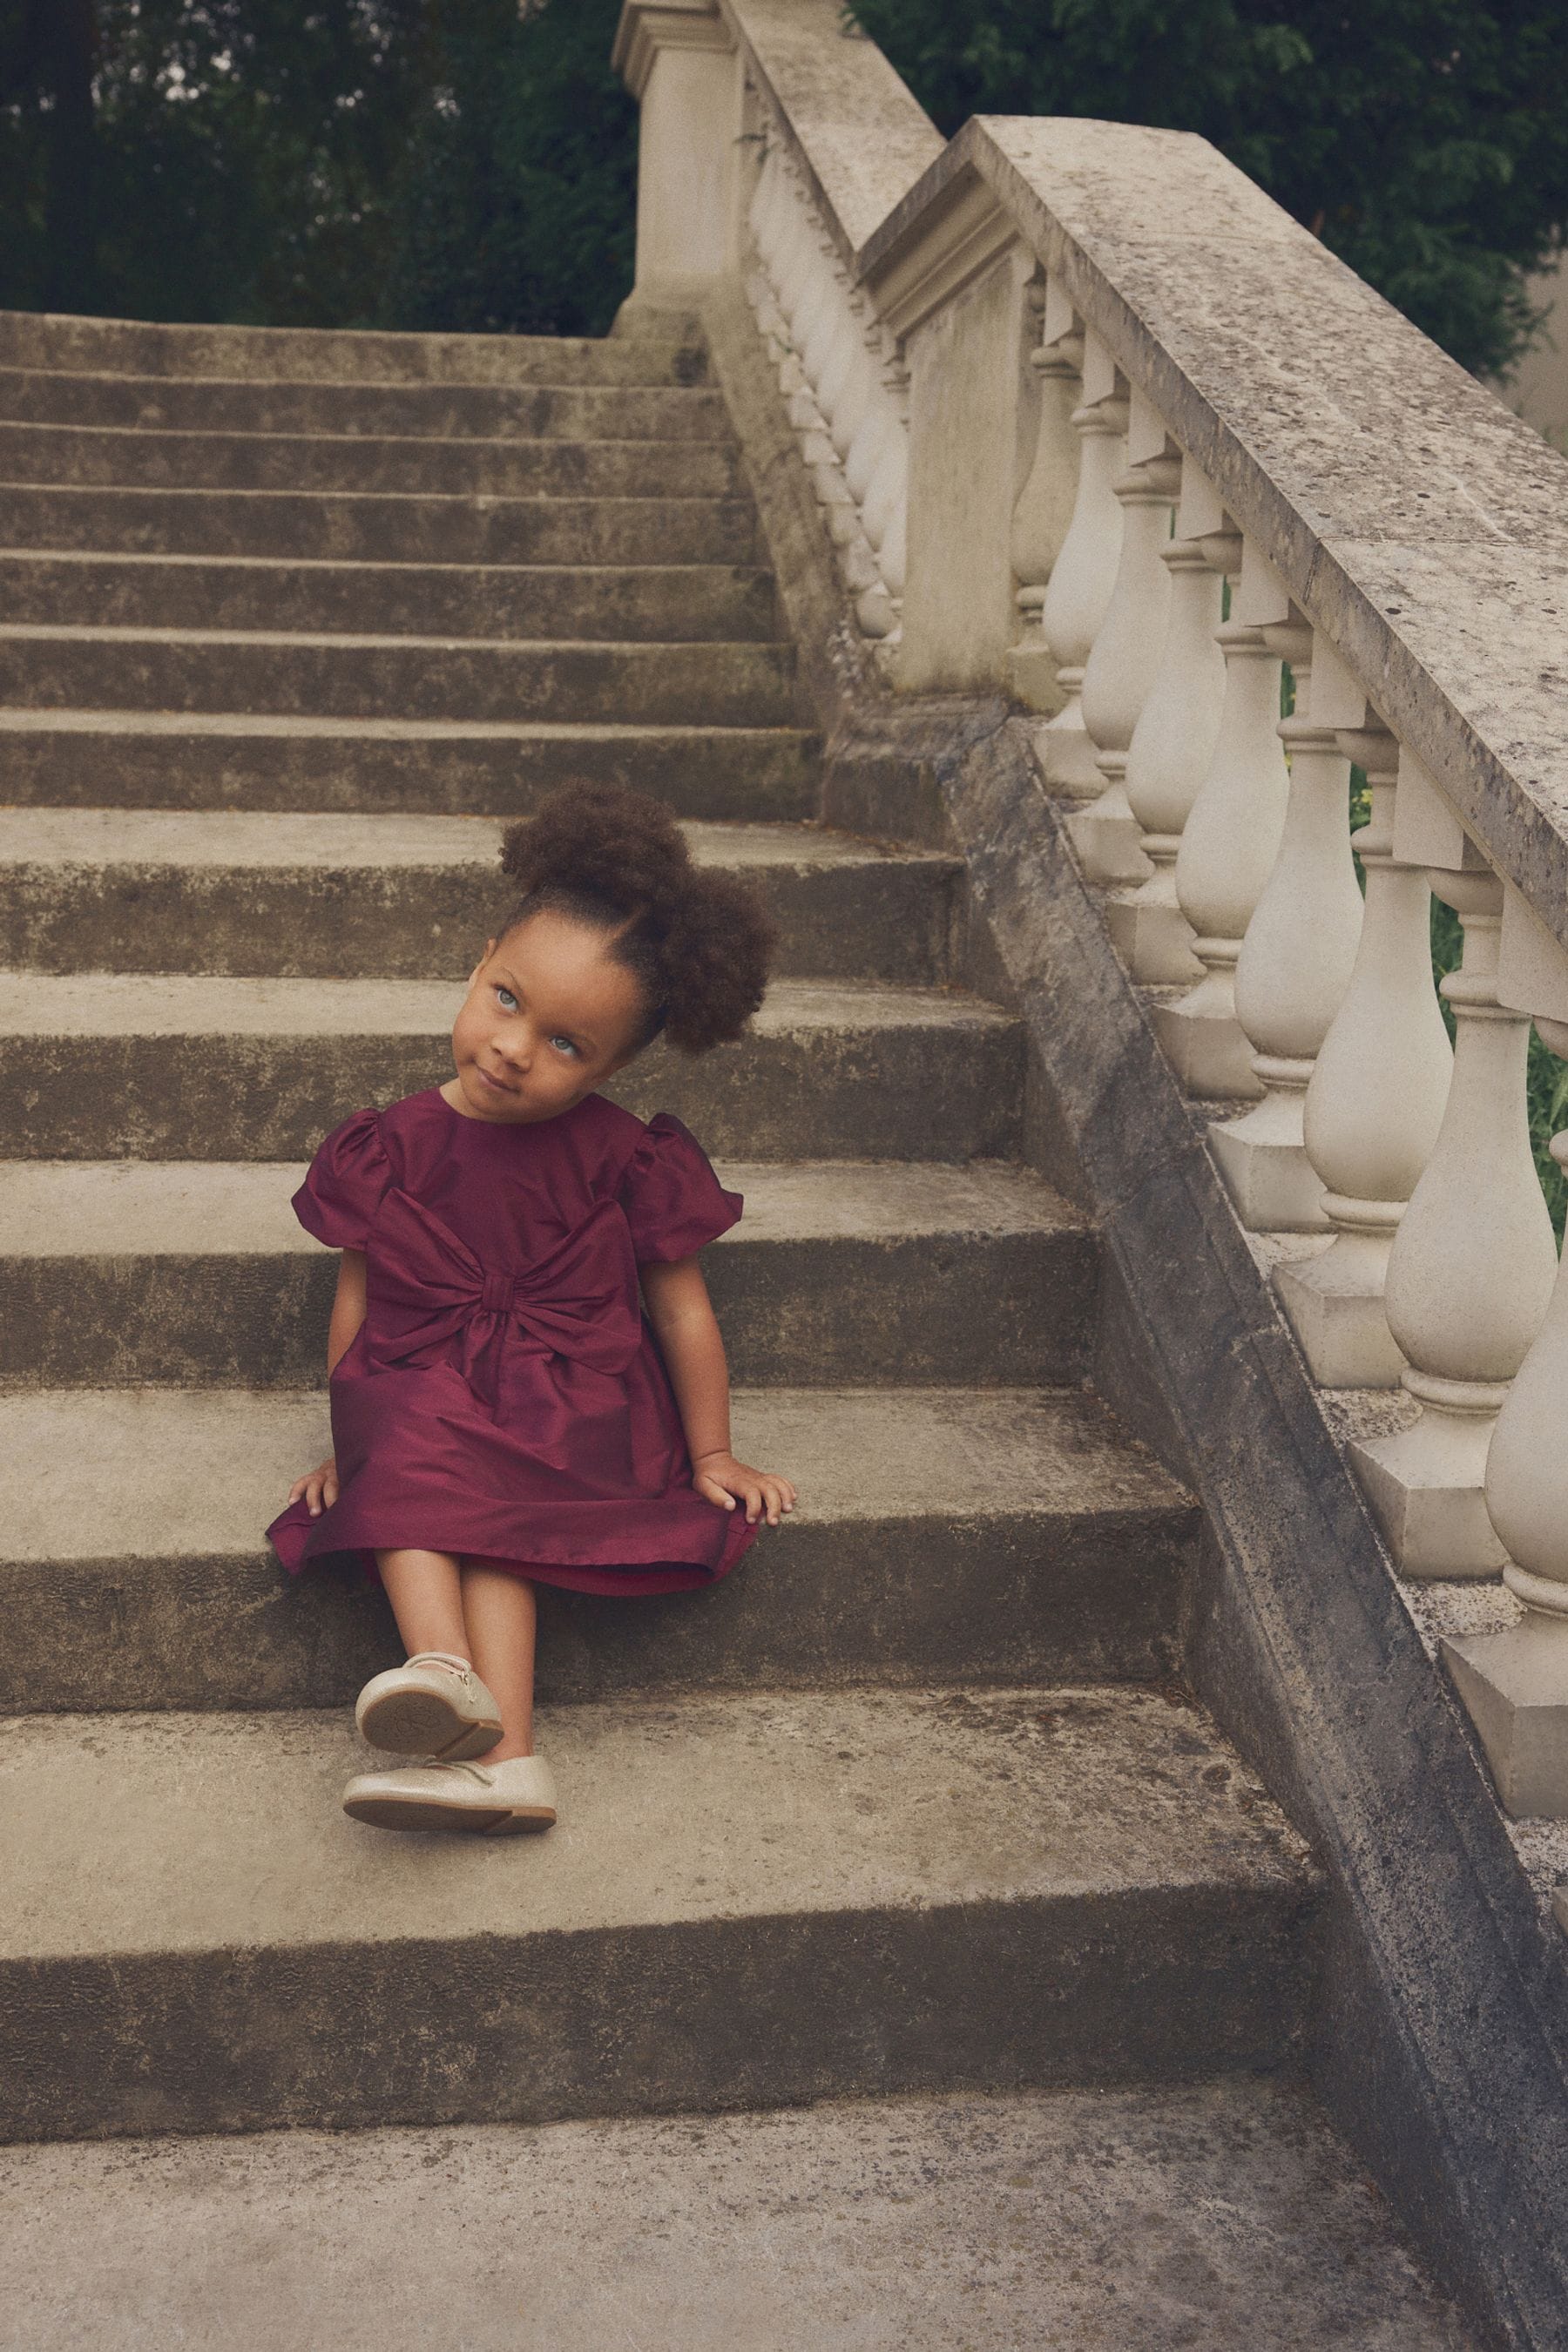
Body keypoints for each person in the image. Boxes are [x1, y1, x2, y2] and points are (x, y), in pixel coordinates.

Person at [266, 784, 795, 1837]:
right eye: (508, 999)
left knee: (493, 1508)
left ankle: (473, 1715)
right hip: (419, 1380)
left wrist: (714, 1455)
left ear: (616, 1066)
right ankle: (490, 1735)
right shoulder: (392, 1142)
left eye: (567, 1045)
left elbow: (682, 1314)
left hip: (566, 1392)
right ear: (479, 961)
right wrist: (350, 1438)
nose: (515, 1047)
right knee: (419, 1450)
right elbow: (360, 1300)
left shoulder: (625, 1156)